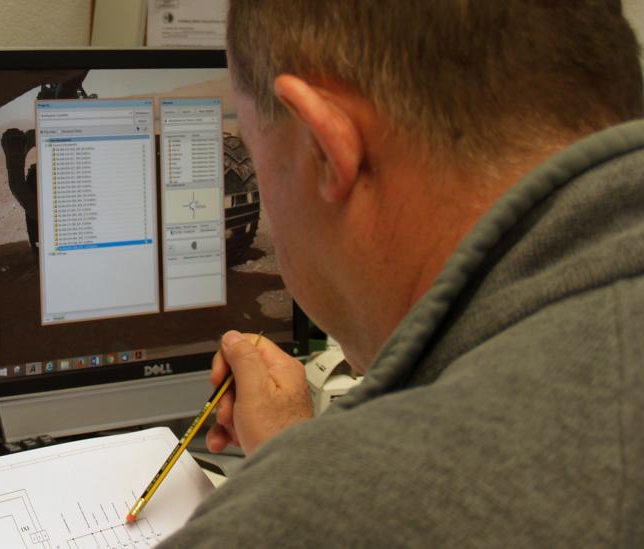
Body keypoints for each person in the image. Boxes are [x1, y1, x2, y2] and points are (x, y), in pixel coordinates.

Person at [160, 1, 644, 545]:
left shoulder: (300, 523)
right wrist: (301, 456)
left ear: (324, 146)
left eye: (256, 147)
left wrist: (304, 497)